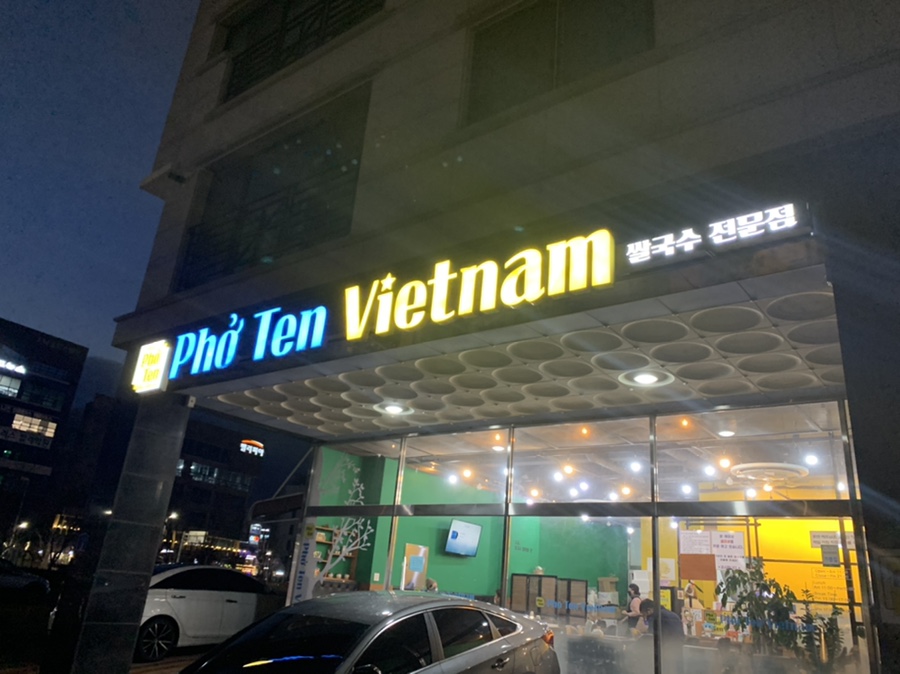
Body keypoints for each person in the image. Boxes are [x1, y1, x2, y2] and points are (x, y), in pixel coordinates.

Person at [640, 598, 684, 674]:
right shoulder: (673, 615)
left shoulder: (655, 616)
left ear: (649, 610)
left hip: (665, 650)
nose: (645, 618)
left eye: (644, 615)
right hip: (679, 649)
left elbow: (651, 636)